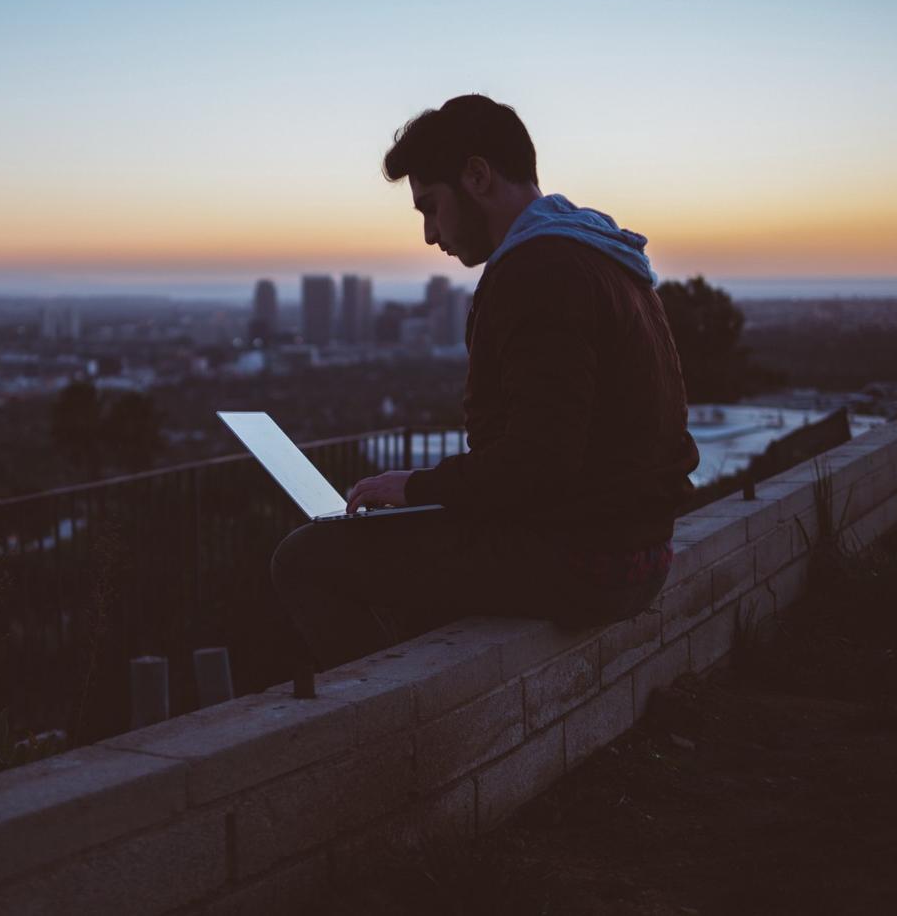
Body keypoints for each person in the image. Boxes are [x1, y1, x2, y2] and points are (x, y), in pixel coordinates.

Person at [271, 95, 700, 672]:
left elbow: (541, 462)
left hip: (589, 561)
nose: (429, 235)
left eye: (430, 207)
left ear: (477, 176)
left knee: (305, 559)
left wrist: (417, 487)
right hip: (636, 549)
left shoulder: (537, 270)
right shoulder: (603, 255)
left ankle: (393, 722)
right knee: (407, 549)